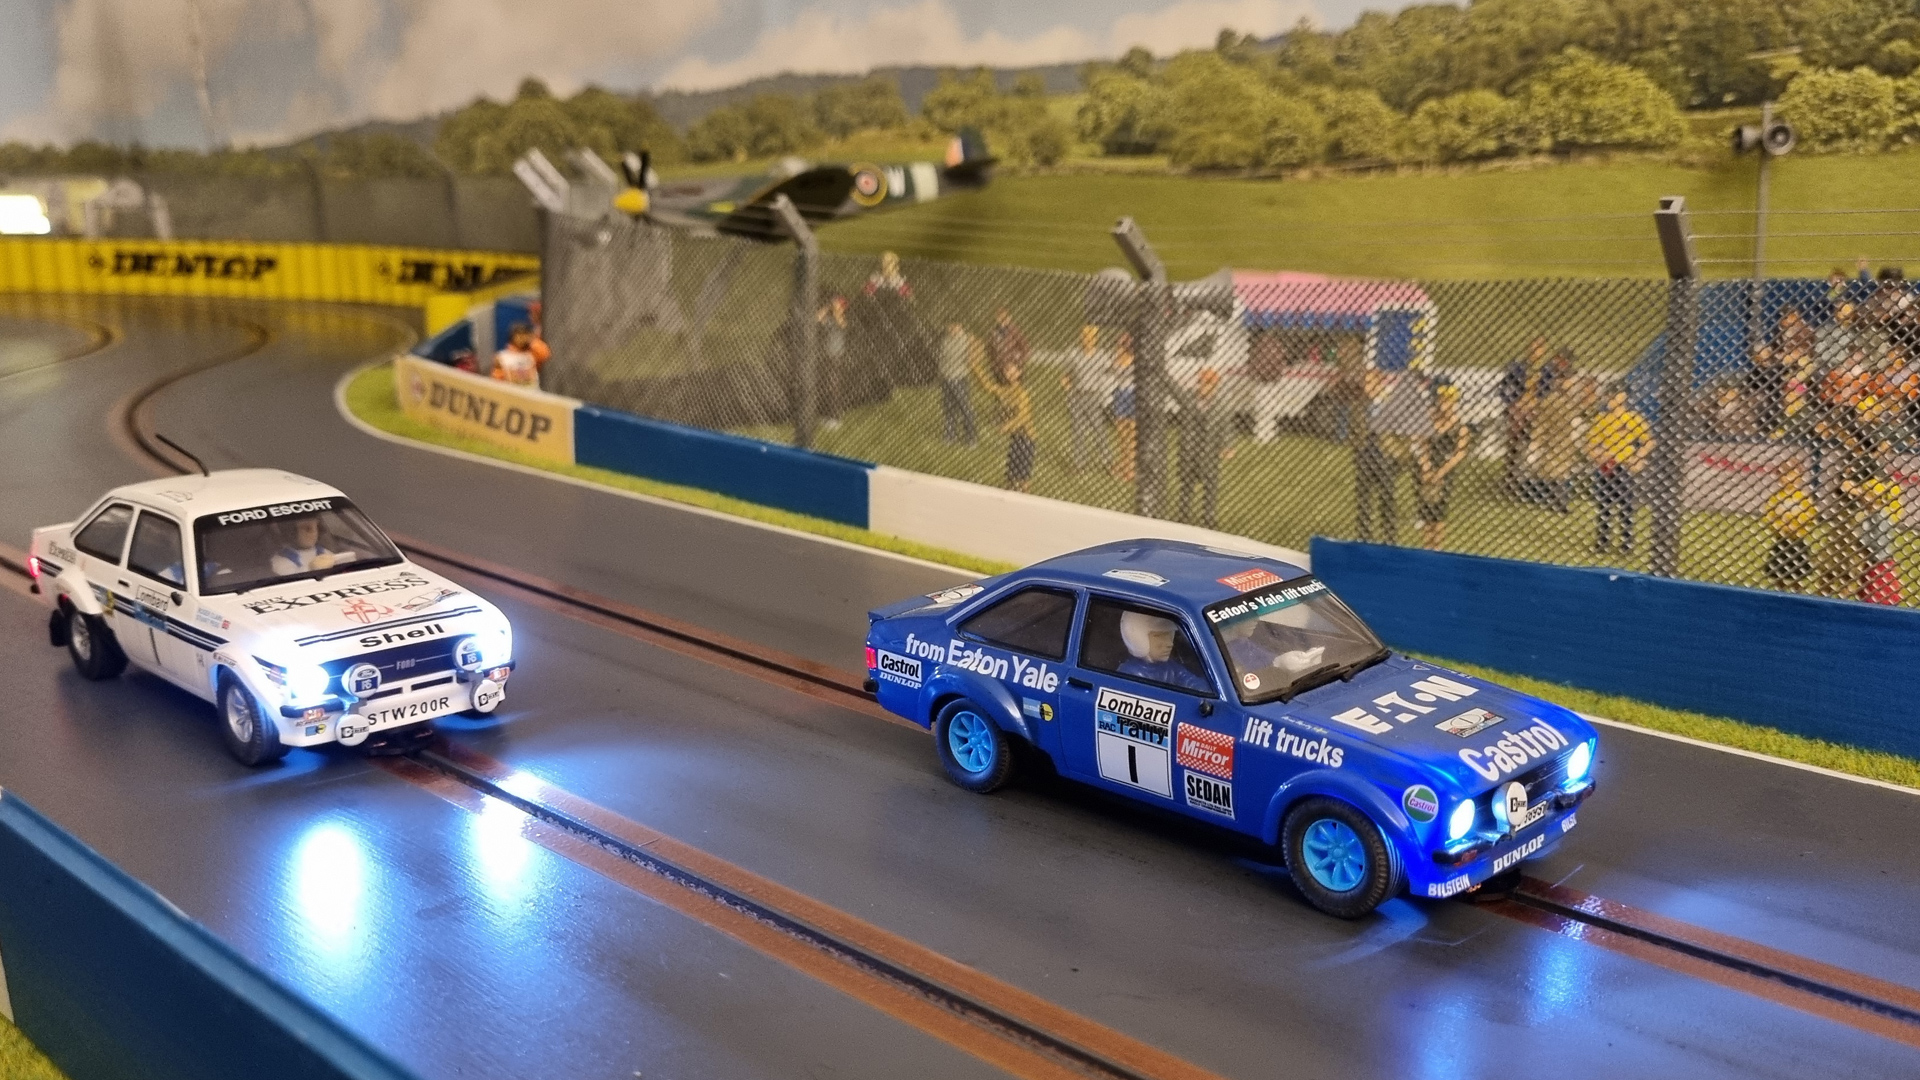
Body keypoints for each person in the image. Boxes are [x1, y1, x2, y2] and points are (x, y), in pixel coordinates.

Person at [1585, 385, 1654, 553]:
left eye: (1614, 395)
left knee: (1626, 506)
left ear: (1624, 397)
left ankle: (1626, 541)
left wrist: (1637, 458)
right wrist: (1598, 456)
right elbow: (1591, 445)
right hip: (1607, 466)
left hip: (1625, 466)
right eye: (1609, 396)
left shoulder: (1632, 418)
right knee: (1604, 505)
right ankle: (1603, 540)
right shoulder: (1602, 419)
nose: (1610, 399)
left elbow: (1649, 441)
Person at [971, 338, 1036, 493]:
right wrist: (974, 366)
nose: (1010, 373)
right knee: (1012, 471)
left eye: (1013, 370)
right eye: (1007, 370)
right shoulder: (1005, 390)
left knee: (1023, 473)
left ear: (1019, 372)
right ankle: (1010, 491)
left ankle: (1024, 492)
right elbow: (987, 387)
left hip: (1027, 437)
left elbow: (1023, 417)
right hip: (1015, 436)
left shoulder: (1021, 393)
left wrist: (1007, 426)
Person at [1413, 384, 1473, 549]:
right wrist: (1426, 468)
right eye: (1442, 399)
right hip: (1427, 468)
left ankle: (1437, 546)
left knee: (1439, 511)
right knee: (1425, 508)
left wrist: (1440, 473)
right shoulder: (1430, 421)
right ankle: (1427, 546)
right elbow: (1422, 445)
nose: (1444, 403)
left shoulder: (1460, 427)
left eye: (1448, 400)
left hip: (1445, 471)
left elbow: (1459, 453)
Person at [1175, 368, 1234, 528]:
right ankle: (1183, 514)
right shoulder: (1189, 400)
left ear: (1215, 387)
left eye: (1209, 385)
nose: (1204, 388)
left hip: (1209, 454)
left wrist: (1227, 445)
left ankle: (1209, 516)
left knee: (1210, 486)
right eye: (1201, 383)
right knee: (1187, 485)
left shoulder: (1220, 406)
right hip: (1190, 452)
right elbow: (1177, 393)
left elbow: (1226, 427)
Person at [1529, 353, 1581, 513]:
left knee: (1561, 473)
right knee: (1556, 473)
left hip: (1566, 442)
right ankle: (1558, 502)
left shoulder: (1572, 400)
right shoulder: (1552, 401)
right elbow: (1542, 423)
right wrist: (1537, 440)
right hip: (1554, 441)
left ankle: (1556, 500)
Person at [1116, 610, 1210, 693]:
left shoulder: (1170, 667)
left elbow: (1190, 681)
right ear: (1138, 638)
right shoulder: (1130, 673)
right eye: (1160, 636)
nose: (1170, 644)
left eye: (1170, 636)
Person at [1063, 324, 1114, 472]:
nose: (1088, 340)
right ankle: (1079, 463)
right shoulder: (1074, 354)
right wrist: (1068, 388)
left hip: (1093, 396)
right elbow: (1066, 376)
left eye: (1091, 337)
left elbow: (1112, 370)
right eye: (1085, 337)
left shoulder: (1101, 356)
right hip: (1078, 395)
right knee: (1077, 430)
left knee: (1098, 428)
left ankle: (1107, 462)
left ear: (1095, 339)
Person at [1761, 461, 1816, 592]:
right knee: (1778, 567)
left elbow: (1811, 516)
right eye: (1785, 475)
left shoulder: (1803, 497)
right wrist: (1779, 526)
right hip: (1782, 539)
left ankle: (1797, 589)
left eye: (1793, 476)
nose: (1789, 479)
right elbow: (1768, 516)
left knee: (1797, 569)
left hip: (1797, 539)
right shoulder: (1776, 497)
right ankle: (1780, 588)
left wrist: (1798, 525)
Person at [936, 322, 978, 444]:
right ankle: (950, 434)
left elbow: (970, 358)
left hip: (959, 378)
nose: (952, 328)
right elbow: (942, 357)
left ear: (960, 326)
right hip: (946, 378)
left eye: (955, 326)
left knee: (964, 407)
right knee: (948, 407)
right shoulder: (945, 339)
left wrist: (972, 347)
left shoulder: (966, 340)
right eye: (950, 326)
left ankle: (970, 436)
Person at [269, 518, 343, 576]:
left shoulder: (324, 552)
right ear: (291, 532)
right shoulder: (280, 560)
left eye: (316, 528)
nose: (313, 533)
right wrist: (313, 568)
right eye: (307, 528)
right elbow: (292, 579)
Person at [1111, 332, 1137, 483]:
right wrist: (1118, 352)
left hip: (1132, 394)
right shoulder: (1118, 358)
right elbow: (1115, 369)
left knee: (1131, 433)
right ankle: (1123, 463)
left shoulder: (1136, 359)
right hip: (1120, 394)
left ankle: (1130, 468)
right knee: (1121, 434)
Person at [492, 322, 545, 387]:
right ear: (512, 336)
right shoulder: (502, 356)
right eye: (519, 335)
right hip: (512, 391)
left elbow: (545, 354)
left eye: (524, 335)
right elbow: (497, 378)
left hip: (532, 391)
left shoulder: (532, 353)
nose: (521, 338)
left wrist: (531, 340)